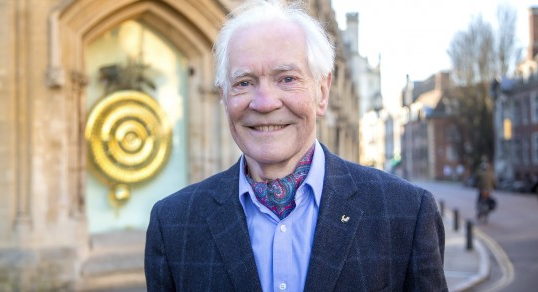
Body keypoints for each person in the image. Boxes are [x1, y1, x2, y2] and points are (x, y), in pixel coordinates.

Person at [144, 1, 447, 291]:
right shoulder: (173, 225)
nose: (264, 103)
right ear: (224, 97)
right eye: (243, 83)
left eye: (287, 79)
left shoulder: (406, 215)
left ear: (323, 92)